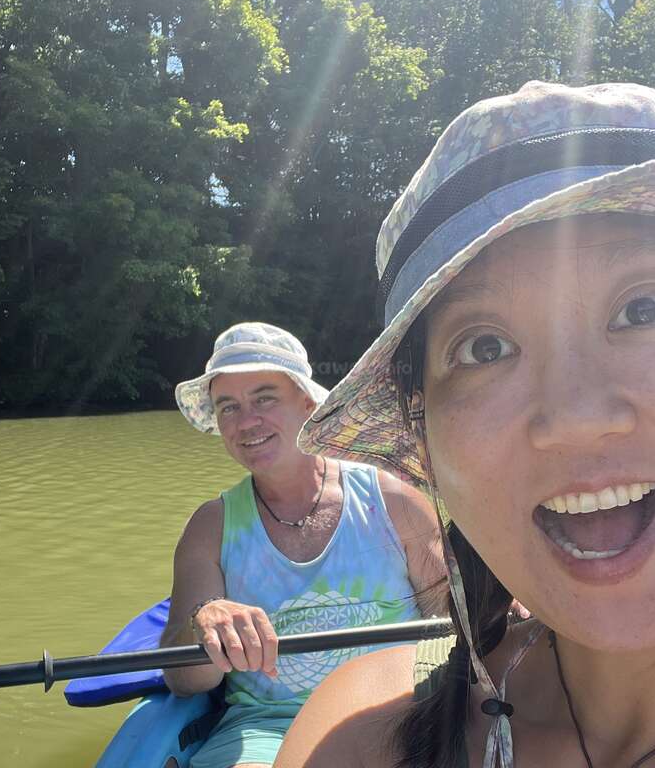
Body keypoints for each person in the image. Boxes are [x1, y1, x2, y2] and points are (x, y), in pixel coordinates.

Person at [275, 81, 655, 768]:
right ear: (423, 433)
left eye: (645, 309)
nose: (575, 420)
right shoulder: (360, 740)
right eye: (484, 348)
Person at [159, 322, 447, 768]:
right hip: (266, 731)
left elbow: (457, 618)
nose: (246, 421)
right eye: (228, 406)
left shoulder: (392, 500)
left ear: (310, 402)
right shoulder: (210, 526)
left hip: (397, 715)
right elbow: (182, 680)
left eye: (264, 398)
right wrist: (204, 623)